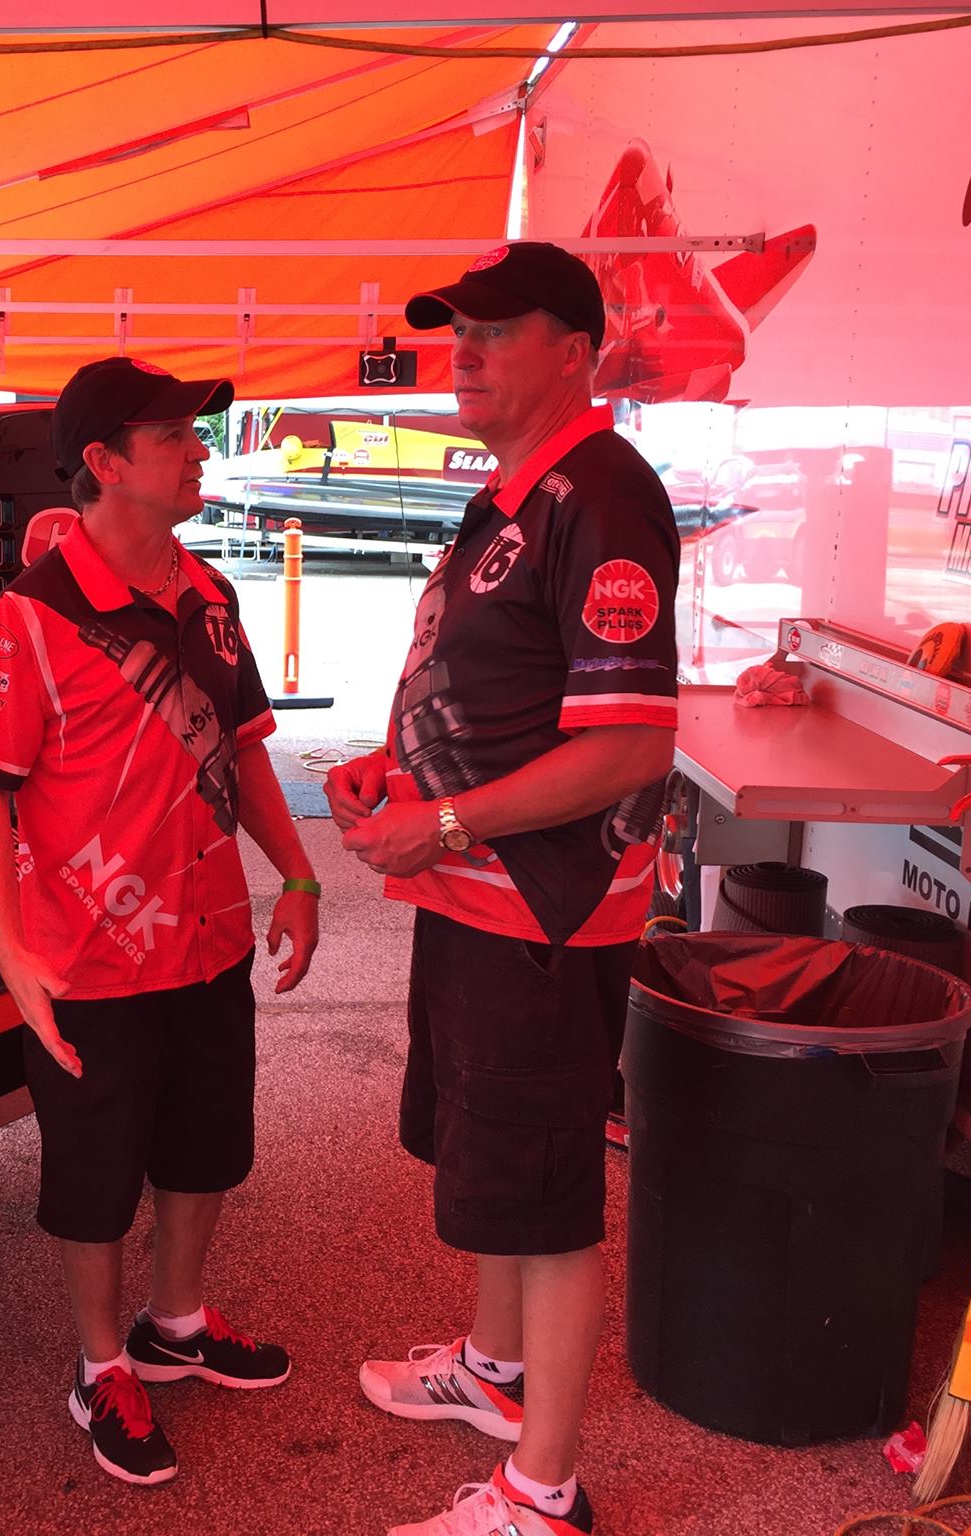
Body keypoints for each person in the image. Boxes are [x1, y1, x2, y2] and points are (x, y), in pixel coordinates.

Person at [326, 243, 679, 1536]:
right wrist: (394, 768)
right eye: (455, 331)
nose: (461, 352)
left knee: (545, 1195)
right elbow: (498, 690)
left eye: (494, 331)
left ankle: (545, 1491)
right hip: (476, 896)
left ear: (574, 353)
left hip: (543, 909)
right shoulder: (514, 494)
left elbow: (630, 748)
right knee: (494, 1161)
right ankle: (493, 1372)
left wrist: (445, 819)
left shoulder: (604, 496)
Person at [0, 356, 320, 1487]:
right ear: (104, 463)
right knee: (96, 1178)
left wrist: (298, 877)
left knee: (207, 1147)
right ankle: (100, 1362)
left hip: (209, 940)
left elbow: (244, 749)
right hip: (89, 961)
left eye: (196, 434)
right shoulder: (29, 617)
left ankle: (177, 1325)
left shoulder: (210, 596)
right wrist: (9, 950)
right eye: (174, 436)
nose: (201, 450)